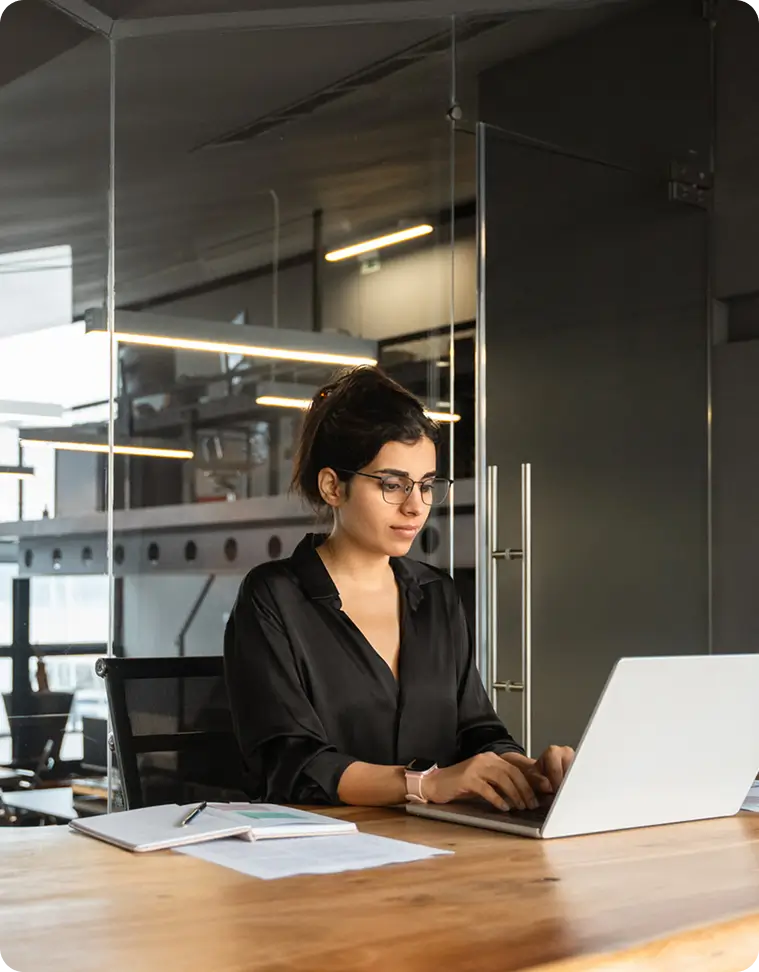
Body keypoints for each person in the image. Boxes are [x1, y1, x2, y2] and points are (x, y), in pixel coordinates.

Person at [224, 366, 574, 810]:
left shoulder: (436, 595)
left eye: (427, 486)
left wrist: (526, 771)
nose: (415, 506)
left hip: (439, 847)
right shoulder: (274, 597)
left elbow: (477, 731)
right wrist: (424, 784)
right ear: (333, 485)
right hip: (317, 855)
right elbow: (291, 763)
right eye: (393, 485)